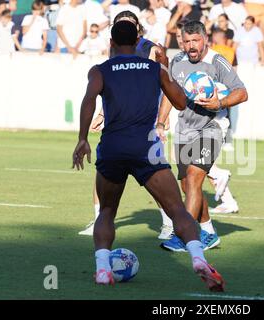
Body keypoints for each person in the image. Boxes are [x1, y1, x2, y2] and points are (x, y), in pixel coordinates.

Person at [72, 20, 225, 291]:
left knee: (107, 210)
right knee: (177, 209)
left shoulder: (100, 70)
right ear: (137, 43)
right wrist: (164, 66)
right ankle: (199, 259)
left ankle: (102, 269)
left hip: (113, 146)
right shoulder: (155, 68)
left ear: (111, 44)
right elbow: (180, 102)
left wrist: (83, 139)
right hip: (147, 147)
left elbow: (88, 101)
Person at [79, 10, 172, 238]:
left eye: (127, 25)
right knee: (104, 171)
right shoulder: (116, 50)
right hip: (119, 121)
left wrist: (161, 118)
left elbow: (160, 82)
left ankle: (168, 221)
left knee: (156, 177)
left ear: (137, 28)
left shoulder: (150, 48)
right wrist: (103, 112)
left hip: (144, 122)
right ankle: (98, 218)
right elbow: (114, 87)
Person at [156, 20, 248, 251]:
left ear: (205, 39)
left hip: (212, 127)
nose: (191, 46)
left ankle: (184, 235)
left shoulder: (217, 62)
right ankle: (208, 232)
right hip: (185, 128)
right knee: (188, 186)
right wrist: (160, 121)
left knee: (196, 176)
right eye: (186, 41)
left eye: (195, 40)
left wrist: (220, 102)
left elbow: (242, 92)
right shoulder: (177, 61)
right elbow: (170, 93)